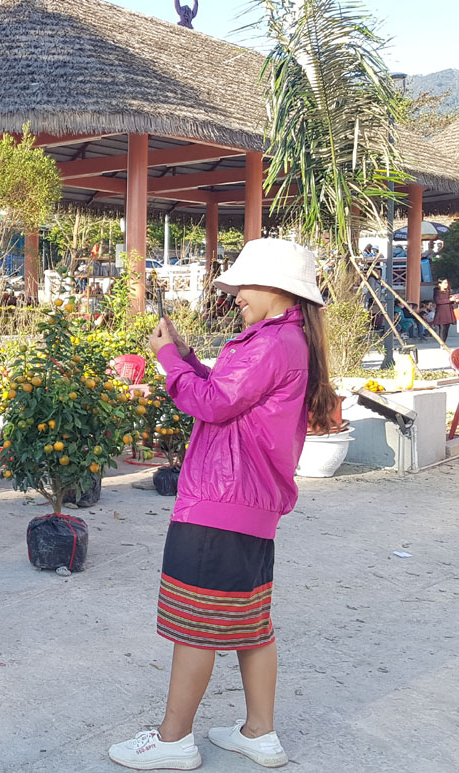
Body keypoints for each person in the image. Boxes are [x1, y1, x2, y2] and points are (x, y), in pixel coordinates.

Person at [109, 239, 332, 770]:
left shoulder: (272, 342)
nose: (236, 296)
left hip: (220, 500)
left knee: (196, 623)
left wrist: (167, 360)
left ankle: (173, 741)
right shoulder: (287, 339)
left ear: (277, 287)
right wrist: (187, 357)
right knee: (250, 623)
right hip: (249, 505)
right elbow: (230, 393)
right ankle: (260, 732)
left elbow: (210, 403)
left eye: (243, 286)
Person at [433, 278, 456, 343]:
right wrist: (449, 300)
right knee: (442, 328)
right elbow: (438, 301)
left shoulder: (448, 291)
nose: (446, 284)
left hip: (448, 311)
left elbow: (451, 301)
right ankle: (442, 343)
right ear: (440, 284)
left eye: (447, 283)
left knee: (446, 329)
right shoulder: (437, 291)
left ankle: (444, 342)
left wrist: (454, 300)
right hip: (441, 312)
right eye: (445, 283)